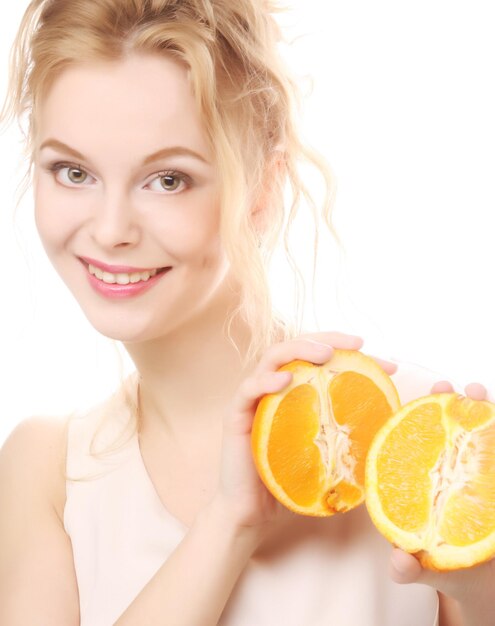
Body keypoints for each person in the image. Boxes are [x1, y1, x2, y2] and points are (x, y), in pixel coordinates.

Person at [0, 1, 492, 624]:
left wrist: (482, 594)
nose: (110, 229)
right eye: (72, 172)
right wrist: (229, 522)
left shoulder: (414, 440)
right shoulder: (48, 469)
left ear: (262, 187)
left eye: (168, 180)